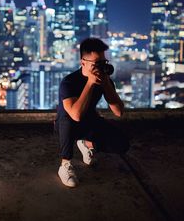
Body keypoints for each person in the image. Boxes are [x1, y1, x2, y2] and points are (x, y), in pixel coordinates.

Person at [55, 38, 129, 187]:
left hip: (90, 122)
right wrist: (90, 83)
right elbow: (75, 115)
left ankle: (86, 144)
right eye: (97, 64)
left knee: (122, 144)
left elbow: (119, 111)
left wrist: (106, 83)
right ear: (83, 63)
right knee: (67, 118)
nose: (101, 67)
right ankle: (65, 165)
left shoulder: (104, 80)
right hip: (68, 126)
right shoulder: (69, 82)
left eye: (104, 63)